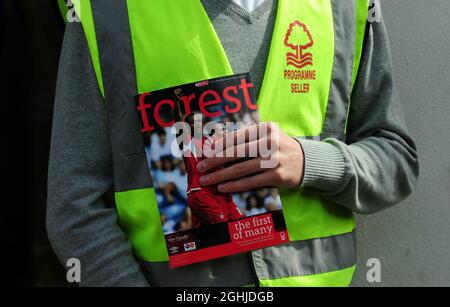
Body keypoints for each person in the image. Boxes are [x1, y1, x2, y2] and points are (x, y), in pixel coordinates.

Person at [47, 0, 419, 286]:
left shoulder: (344, 8)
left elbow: (396, 159)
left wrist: (309, 162)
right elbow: (74, 207)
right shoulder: (107, 13)